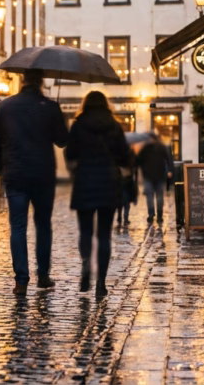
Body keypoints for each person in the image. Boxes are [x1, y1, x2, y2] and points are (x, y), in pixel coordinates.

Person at [0, 70, 68, 295]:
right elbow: (63, 141)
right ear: (41, 82)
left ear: (22, 81)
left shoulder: (5, 107)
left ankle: (21, 280)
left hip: (15, 174)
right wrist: (56, 116)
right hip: (43, 175)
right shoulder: (50, 107)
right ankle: (43, 275)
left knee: (18, 227)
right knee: (43, 225)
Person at [64, 91, 133, 298]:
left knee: (85, 231)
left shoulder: (78, 125)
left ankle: (86, 264)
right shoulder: (114, 126)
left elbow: (70, 154)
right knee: (104, 235)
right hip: (108, 182)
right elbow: (124, 156)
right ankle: (101, 283)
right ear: (106, 105)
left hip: (85, 180)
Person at [136, 133, 174, 225]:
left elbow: (169, 159)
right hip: (152, 176)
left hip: (157, 176)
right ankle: (153, 215)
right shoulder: (148, 148)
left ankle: (156, 215)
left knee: (157, 197)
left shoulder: (158, 147)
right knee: (152, 196)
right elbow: (139, 160)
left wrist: (169, 170)